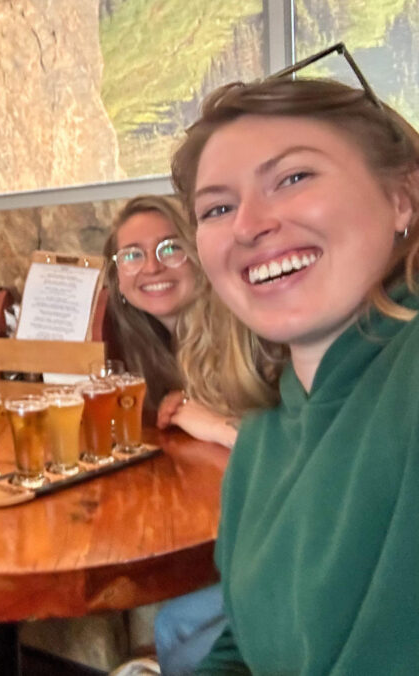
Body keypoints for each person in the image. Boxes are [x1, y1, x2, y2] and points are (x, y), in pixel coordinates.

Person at [169, 61, 419, 672]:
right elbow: (245, 646)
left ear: (402, 198)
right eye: (217, 209)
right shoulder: (264, 433)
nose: (251, 225)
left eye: (293, 177)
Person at [102, 195, 235, 674]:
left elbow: (301, 450)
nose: (151, 266)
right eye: (132, 255)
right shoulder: (154, 350)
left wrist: (217, 426)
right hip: (236, 523)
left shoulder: (243, 330)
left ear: (199, 254)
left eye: (170, 248)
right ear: (118, 279)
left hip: (294, 532)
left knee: (177, 623)